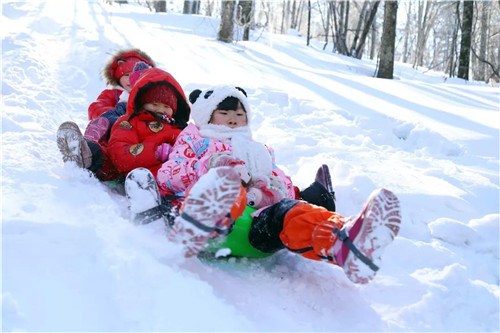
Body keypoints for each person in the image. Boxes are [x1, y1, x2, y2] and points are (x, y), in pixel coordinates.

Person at [125, 86, 401, 285]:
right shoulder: (194, 141)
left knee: (291, 212)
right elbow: (167, 175)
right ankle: (207, 218)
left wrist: (272, 184)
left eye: (239, 114)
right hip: (218, 223)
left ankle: (346, 241)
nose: (233, 119)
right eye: (224, 113)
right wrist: (207, 165)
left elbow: (284, 182)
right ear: (207, 115)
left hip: (257, 229)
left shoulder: (258, 150)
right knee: (226, 186)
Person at [56, 48, 155, 181]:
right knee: (101, 150)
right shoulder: (113, 94)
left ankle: (86, 154)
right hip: (109, 136)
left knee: (113, 159)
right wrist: (109, 117)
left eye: (136, 74)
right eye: (127, 75)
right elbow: (95, 107)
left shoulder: (149, 99)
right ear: (118, 77)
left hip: (130, 142)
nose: (131, 79)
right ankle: (83, 151)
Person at [107, 66, 190, 185]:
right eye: (155, 104)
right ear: (142, 103)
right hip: (145, 176)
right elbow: (120, 154)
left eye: (167, 106)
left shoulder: (181, 129)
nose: (161, 109)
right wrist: (155, 152)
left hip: (179, 176)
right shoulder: (130, 122)